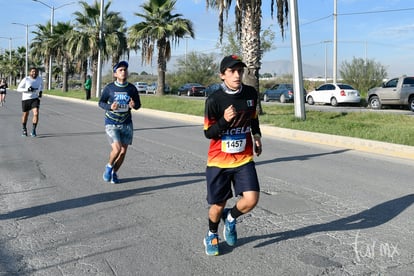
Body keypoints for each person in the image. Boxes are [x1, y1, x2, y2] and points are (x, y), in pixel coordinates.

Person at [202, 54, 263, 256]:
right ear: (222, 75)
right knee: (217, 206)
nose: (237, 75)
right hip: (219, 161)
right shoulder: (214, 100)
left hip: (243, 158)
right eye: (232, 71)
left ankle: (231, 218)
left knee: (252, 199)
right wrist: (224, 121)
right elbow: (208, 133)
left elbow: (253, 119)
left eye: (240, 71)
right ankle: (211, 234)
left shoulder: (251, 93)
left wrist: (256, 136)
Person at [98, 61, 141, 184]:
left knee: (122, 152)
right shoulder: (109, 88)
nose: (123, 72)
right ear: (115, 74)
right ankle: (109, 167)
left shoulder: (131, 88)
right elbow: (101, 103)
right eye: (120, 70)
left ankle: (114, 173)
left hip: (126, 123)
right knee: (116, 149)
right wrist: (110, 106)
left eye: (125, 69)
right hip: (111, 122)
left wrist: (134, 105)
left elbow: (138, 105)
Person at [17, 67, 43, 137]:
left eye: (36, 72)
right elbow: (18, 89)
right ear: (30, 72)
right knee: (25, 115)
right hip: (26, 99)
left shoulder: (40, 79)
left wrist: (40, 92)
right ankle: (24, 129)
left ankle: (33, 130)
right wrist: (27, 89)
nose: (34, 73)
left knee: (36, 113)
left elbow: (41, 87)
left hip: (35, 99)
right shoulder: (26, 79)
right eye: (33, 72)